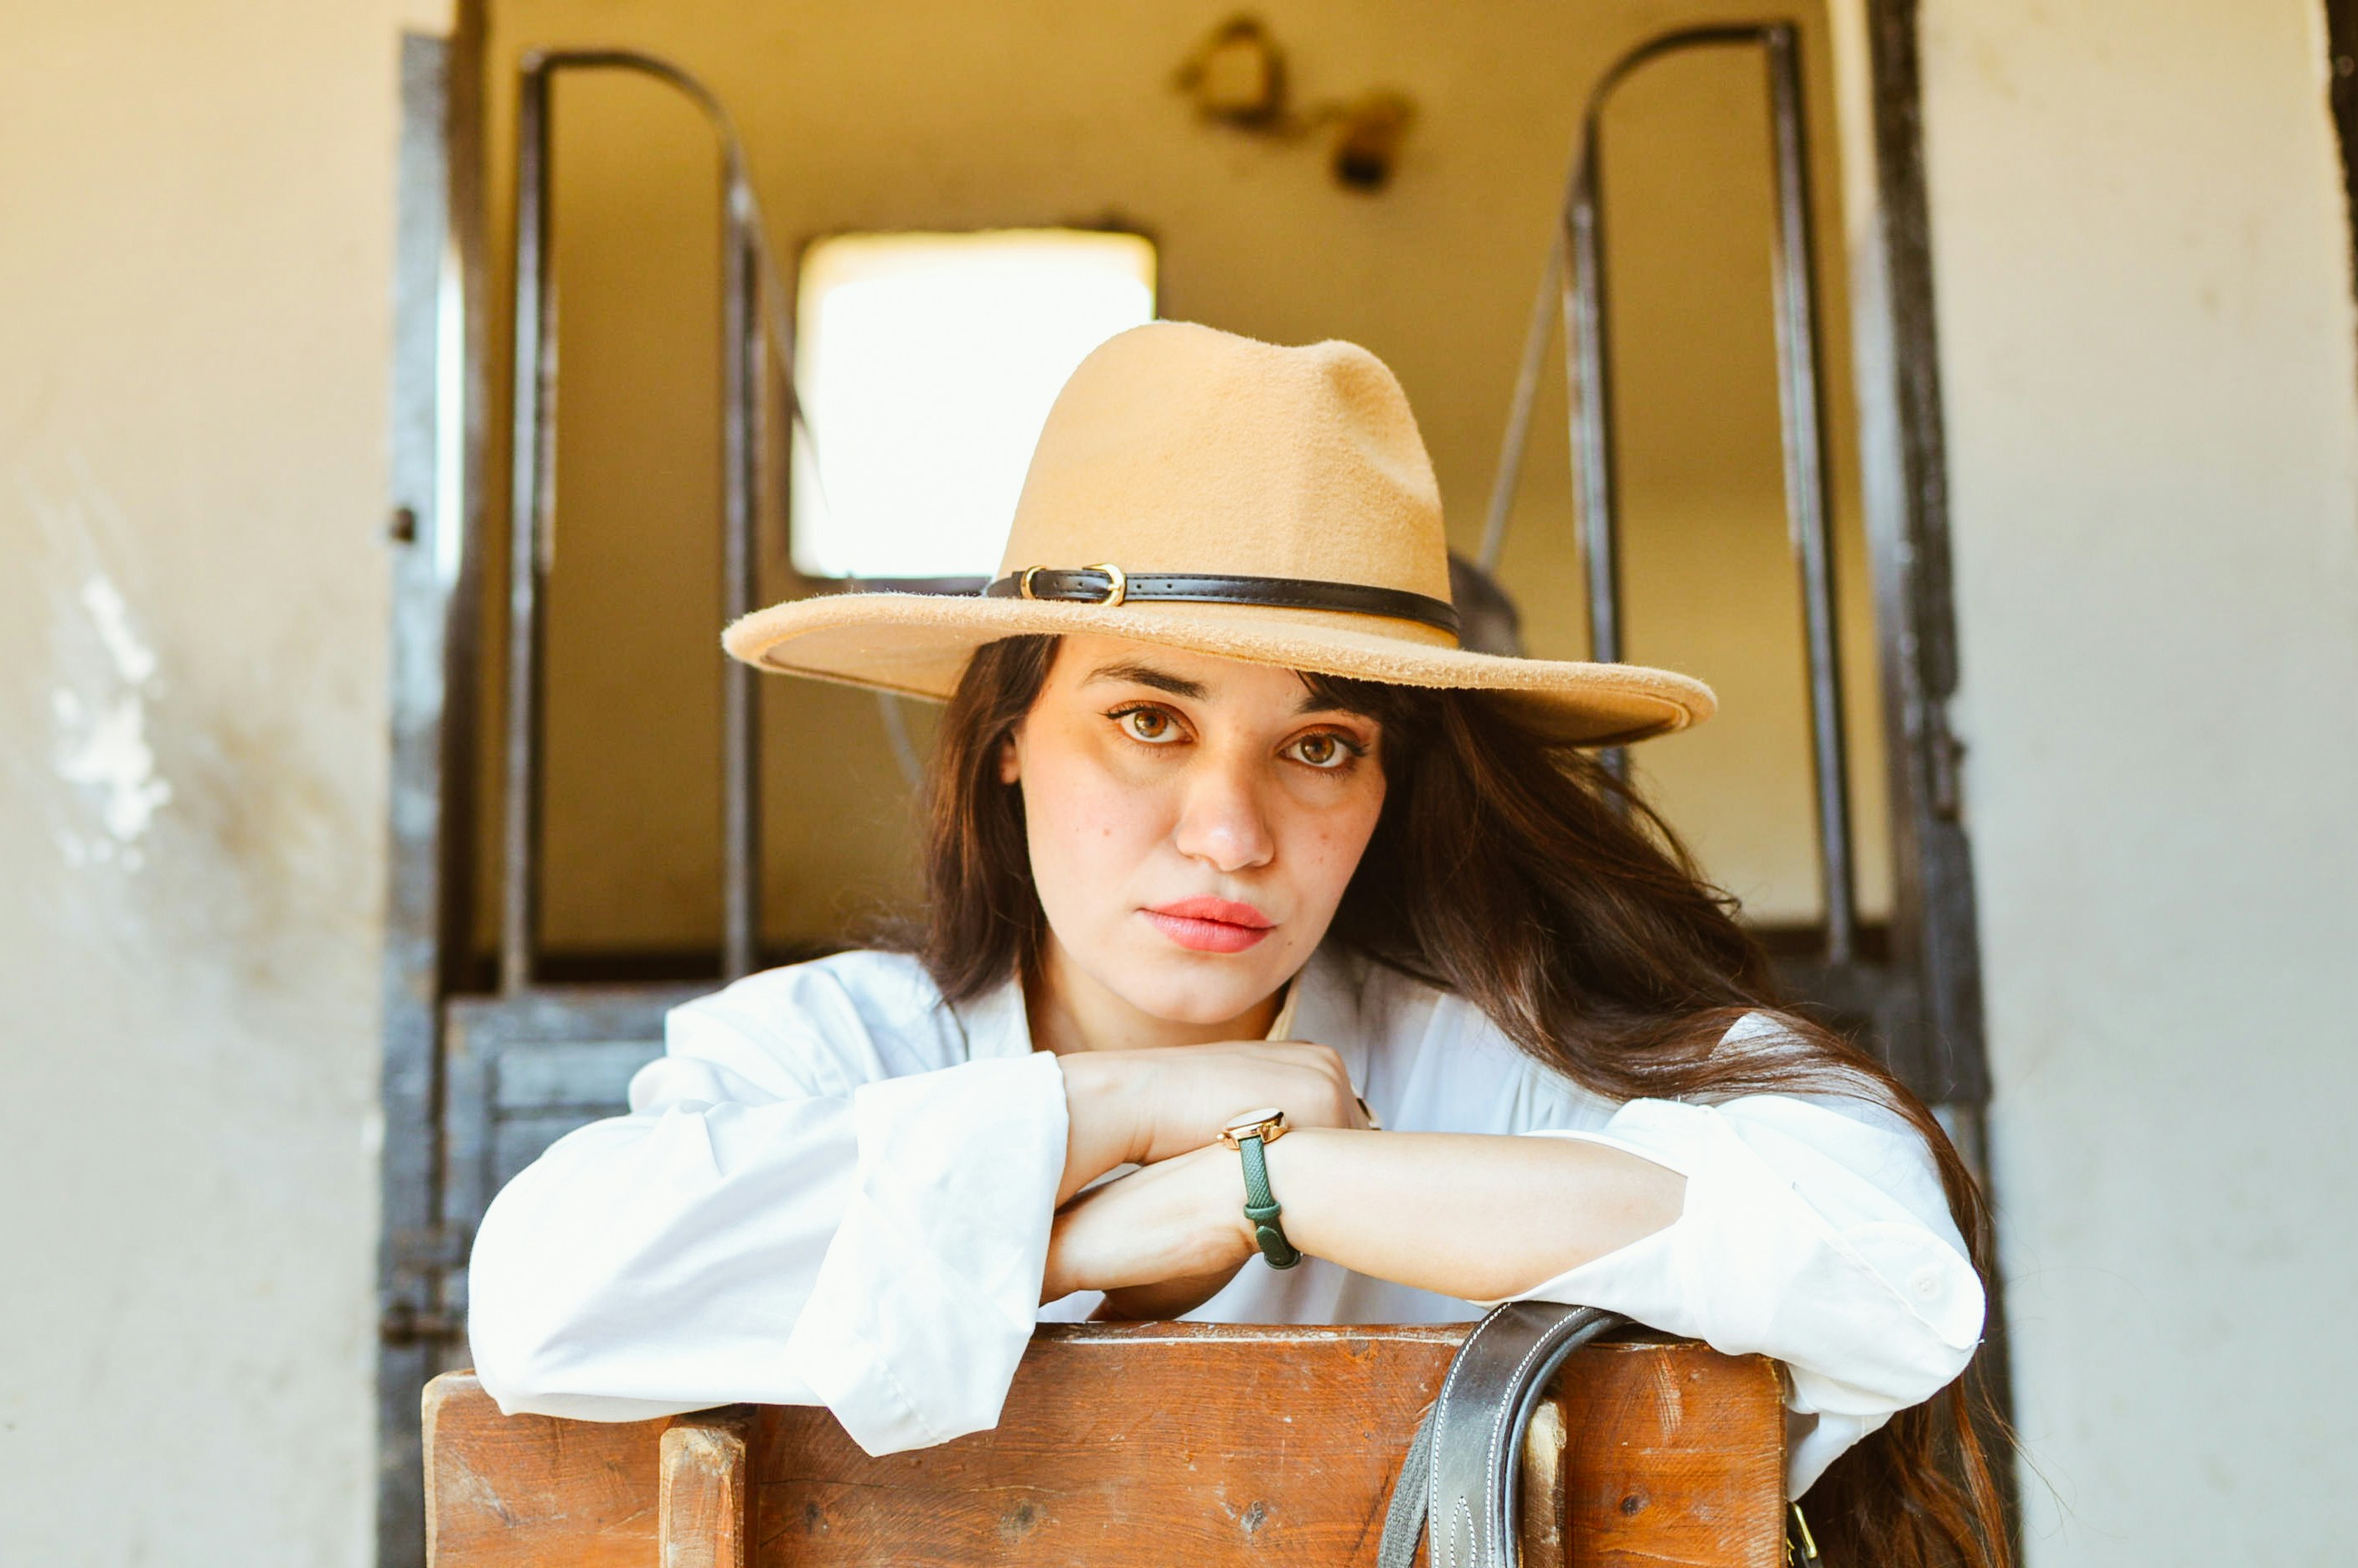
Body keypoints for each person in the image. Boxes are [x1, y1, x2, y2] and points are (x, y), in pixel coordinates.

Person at [467, 322, 2008, 1566]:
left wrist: (1276, 1183)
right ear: (1006, 737)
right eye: (1148, 719)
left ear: (1392, 780)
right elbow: (545, 1300)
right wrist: (1112, 1153)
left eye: (1321, 746)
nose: (1230, 832)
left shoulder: (1492, 1058)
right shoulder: (821, 1053)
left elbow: (1883, 1271)